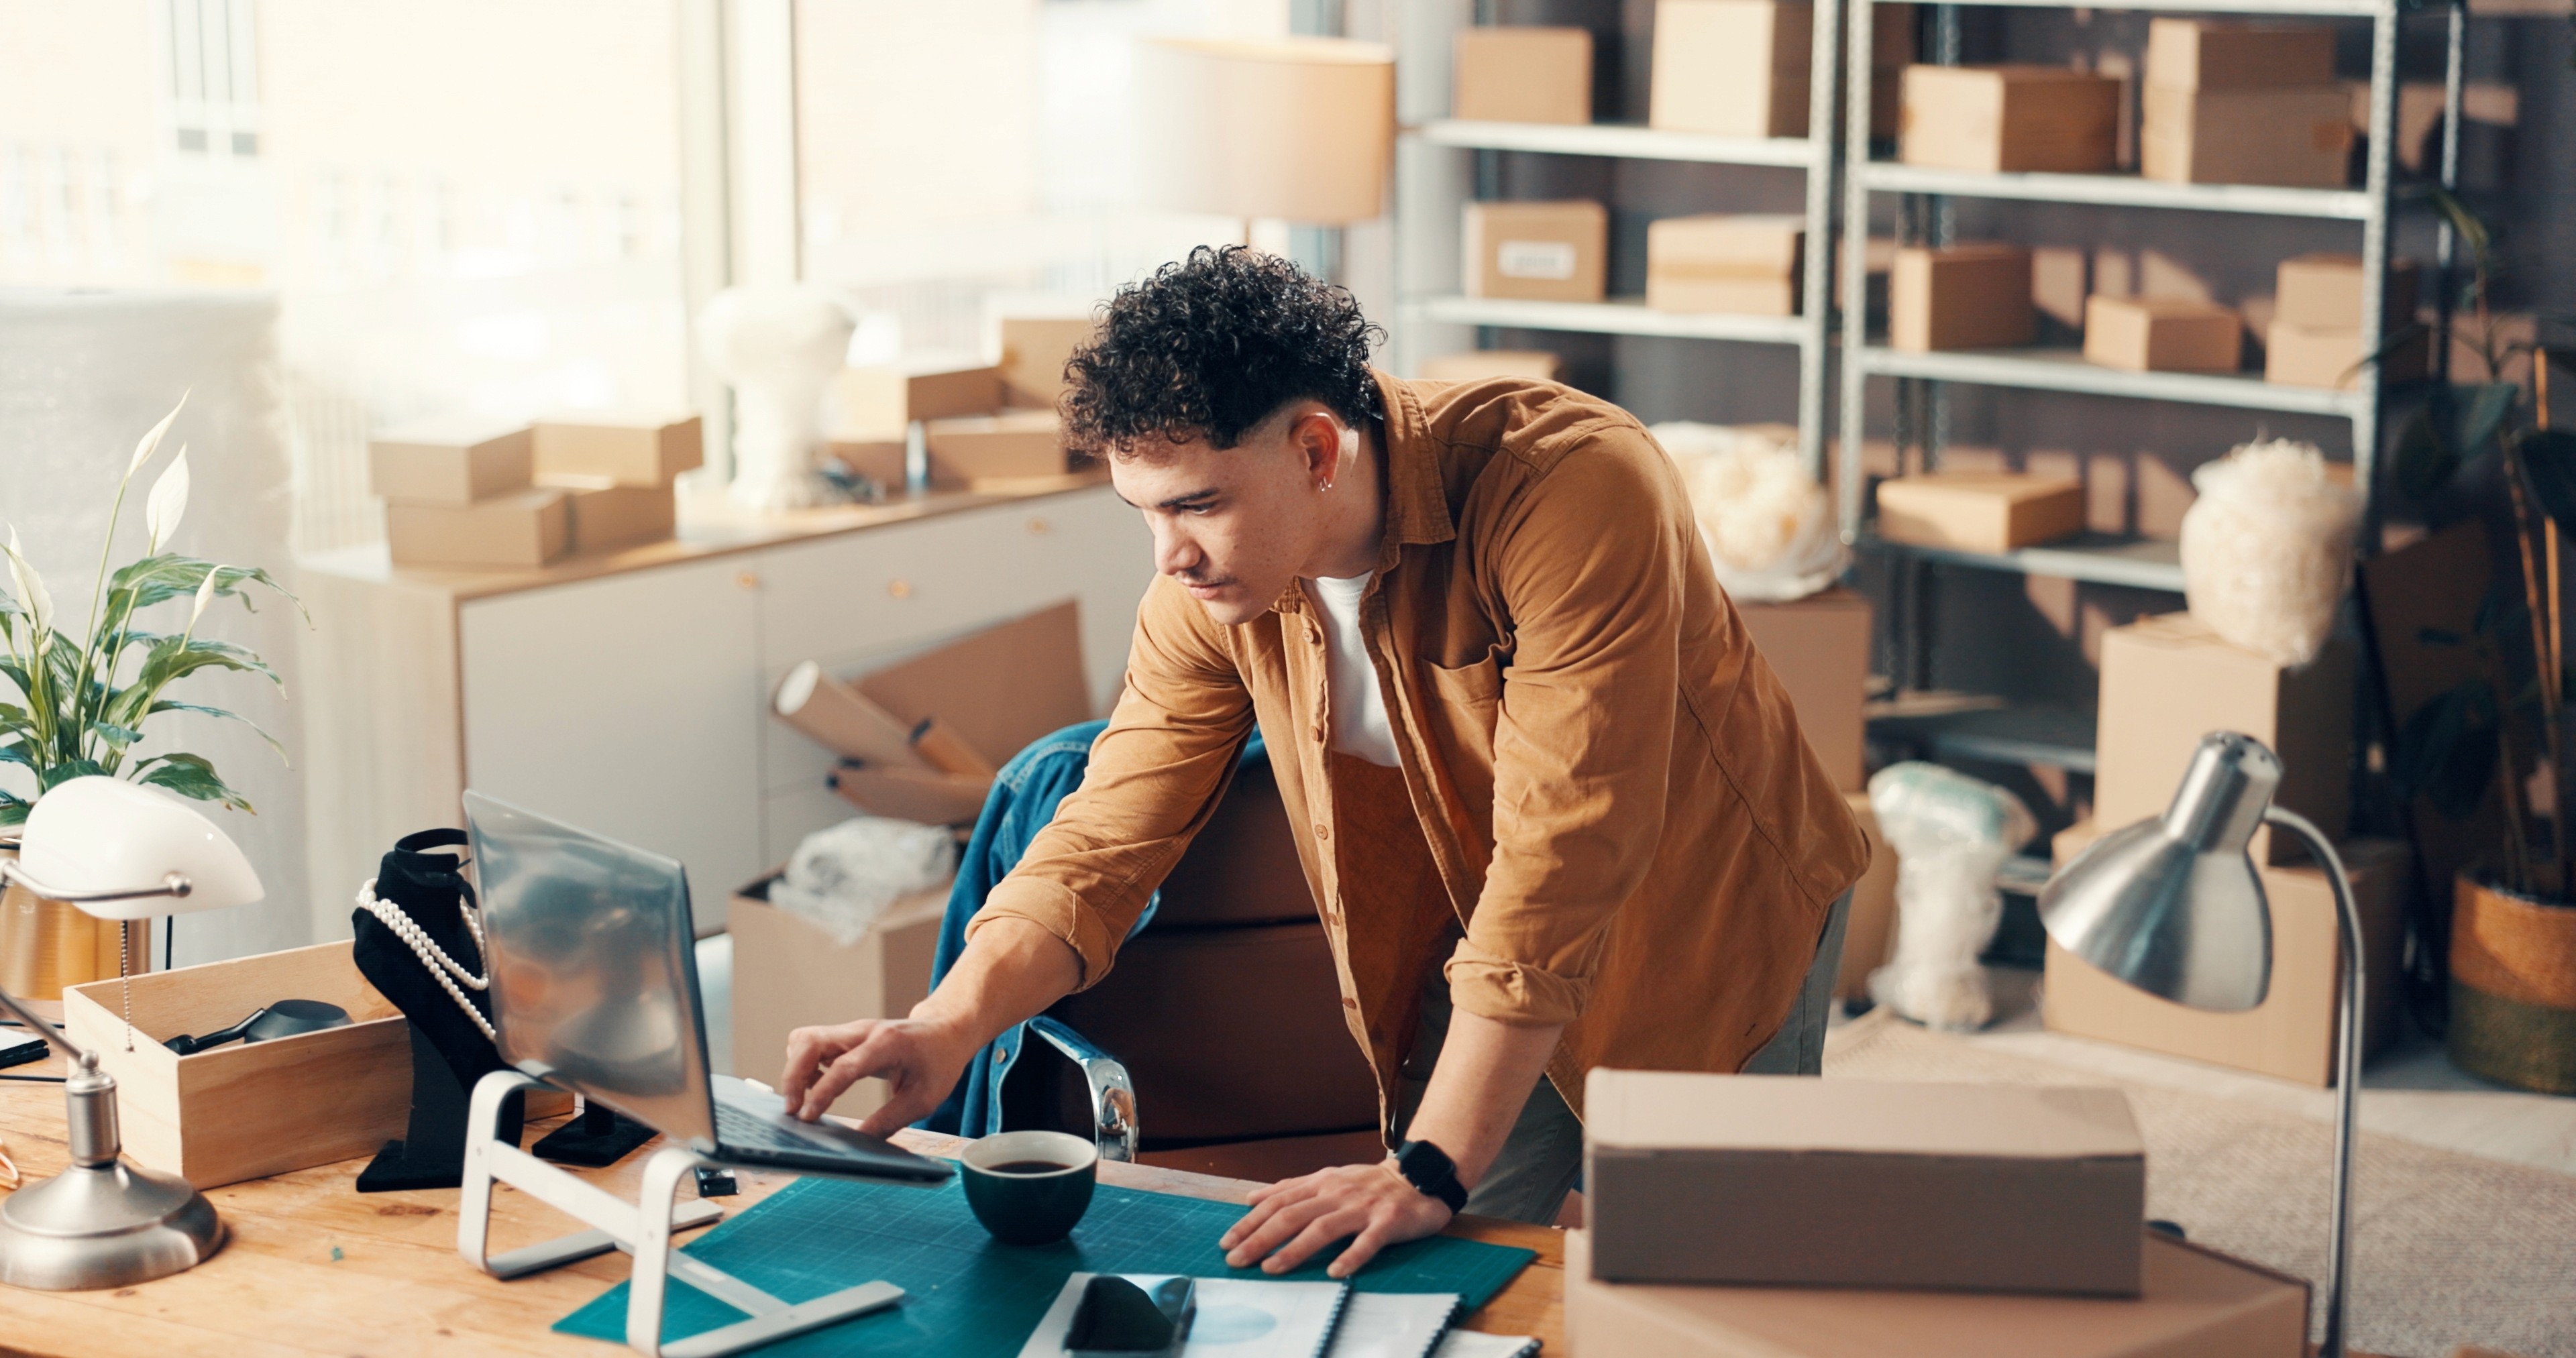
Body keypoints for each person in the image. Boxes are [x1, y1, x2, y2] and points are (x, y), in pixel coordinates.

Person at [782, 245, 1867, 1279]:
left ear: (1314, 449)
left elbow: (1566, 852)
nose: (1169, 556)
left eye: (1197, 504)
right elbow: (1104, 838)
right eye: (1144, 513)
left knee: (1701, 1277)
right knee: (1460, 1270)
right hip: (1477, 924)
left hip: (1710, 912)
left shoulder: (1570, 486)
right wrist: (948, 1022)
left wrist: (1432, 1165)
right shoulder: (1207, 597)